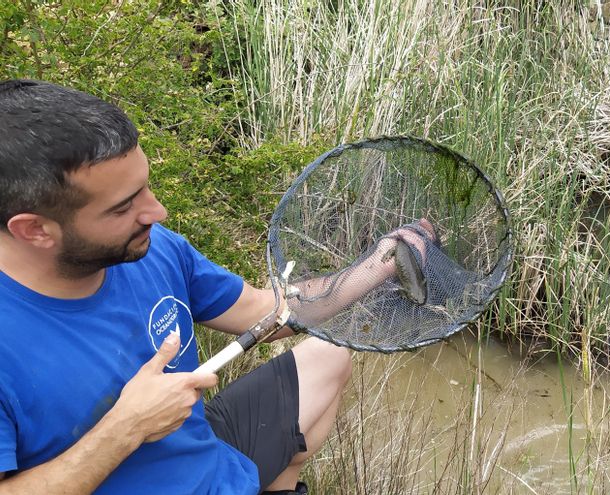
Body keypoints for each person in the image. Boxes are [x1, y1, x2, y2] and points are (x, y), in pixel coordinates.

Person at [0, 79, 432, 494]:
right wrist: (125, 429)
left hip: (210, 462)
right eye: (124, 207)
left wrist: (379, 264)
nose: (158, 211)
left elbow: (269, 311)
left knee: (328, 352)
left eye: (145, 187)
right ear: (35, 230)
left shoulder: (153, 247)